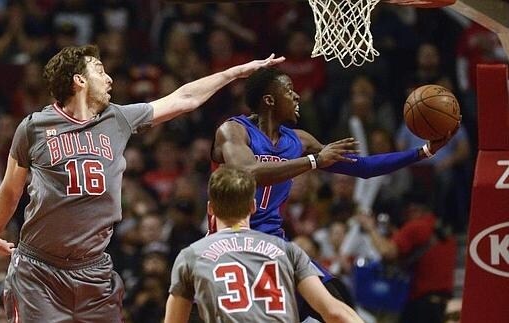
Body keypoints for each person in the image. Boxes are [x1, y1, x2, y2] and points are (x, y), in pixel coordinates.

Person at [0, 44, 286, 322]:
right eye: (100, 71)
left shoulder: (118, 118)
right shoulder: (34, 127)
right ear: (79, 80)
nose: (110, 78)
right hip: (40, 270)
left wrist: (234, 73)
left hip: (93, 269)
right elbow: (11, 189)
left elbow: (184, 98)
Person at [208, 67, 457, 318]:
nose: (296, 97)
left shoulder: (300, 141)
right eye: (289, 91)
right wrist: (315, 161)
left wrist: (423, 152)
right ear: (269, 100)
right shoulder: (233, 130)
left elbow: (363, 168)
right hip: (233, 242)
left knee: (339, 303)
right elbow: (247, 172)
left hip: (274, 243)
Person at [165, 166, 363, 323]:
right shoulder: (288, 250)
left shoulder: (190, 256)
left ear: (210, 208)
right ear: (252, 206)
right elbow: (335, 312)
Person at [355, 195, 457, 323]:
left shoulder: (416, 227)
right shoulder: (444, 232)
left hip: (422, 306)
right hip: (443, 304)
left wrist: (370, 227)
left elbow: (387, 252)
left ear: (413, 209)